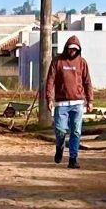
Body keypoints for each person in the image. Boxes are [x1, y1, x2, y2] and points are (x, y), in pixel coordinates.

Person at [43, 36, 94, 168]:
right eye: (70, 49)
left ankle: (73, 158)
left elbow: (87, 82)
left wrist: (90, 101)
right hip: (61, 104)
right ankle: (59, 148)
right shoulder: (57, 62)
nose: (72, 51)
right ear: (66, 48)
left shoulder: (82, 63)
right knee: (60, 131)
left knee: (76, 131)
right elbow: (50, 81)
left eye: (75, 49)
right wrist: (49, 98)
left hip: (77, 104)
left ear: (78, 50)